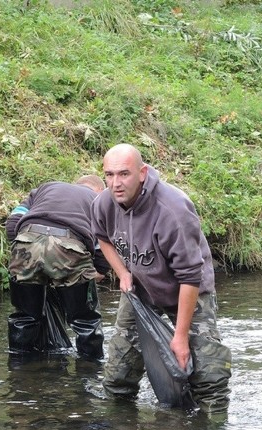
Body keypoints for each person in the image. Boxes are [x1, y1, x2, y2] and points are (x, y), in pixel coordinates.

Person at [91, 143, 232, 413]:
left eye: (124, 174)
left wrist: (179, 337)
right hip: (140, 288)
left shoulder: (173, 210)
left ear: (142, 173)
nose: (115, 183)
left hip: (187, 289)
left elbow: (191, 276)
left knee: (208, 373)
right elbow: (102, 237)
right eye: (109, 175)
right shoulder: (104, 203)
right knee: (118, 373)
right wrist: (122, 273)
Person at [6, 175, 108, 359]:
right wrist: (99, 270)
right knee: (85, 323)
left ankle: (20, 369)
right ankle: (90, 372)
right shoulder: (98, 201)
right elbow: (102, 242)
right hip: (69, 245)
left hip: (26, 241)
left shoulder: (45, 188)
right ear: (99, 190)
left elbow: (13, 221)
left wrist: (24, 249)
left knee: (25, 317)